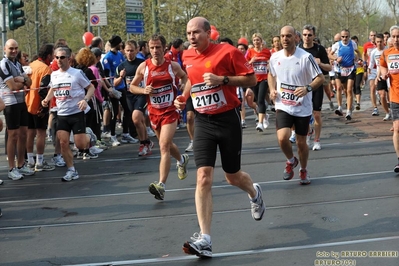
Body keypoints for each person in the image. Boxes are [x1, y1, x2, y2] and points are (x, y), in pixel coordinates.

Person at [175, 17, 265, 258]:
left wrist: (222, 80)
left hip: (227, 119)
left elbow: (251, 79)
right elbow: (190, 80)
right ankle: (205, 239)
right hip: (204, 121)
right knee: (203, 177)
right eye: (188, 33)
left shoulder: (228, 52)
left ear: (208, 33)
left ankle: (254, 193)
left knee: (232, 176)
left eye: (196, 32)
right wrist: (183, 97)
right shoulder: (187, 55)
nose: (192, 37)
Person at [130, 34, 189, 200]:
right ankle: (182, 159)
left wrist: (182, 93)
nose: (155, 50)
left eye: (158, 47)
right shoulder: (144, 67)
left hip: (170, 111)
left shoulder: (173, 66)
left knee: (163, 145)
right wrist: (143, 91)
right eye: (152, 47)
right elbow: (132, 86)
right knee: (168, 145)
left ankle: (161, 185)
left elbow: (185, 77)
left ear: (164, 48)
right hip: (154, 112)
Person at [268, 26, 324, 185]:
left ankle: (303, 169)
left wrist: (307, 88)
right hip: (283, 105)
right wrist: (272, 89)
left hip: (302, 107)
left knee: (301, 143)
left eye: (288, 36)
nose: (285, 39)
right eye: (282, 36)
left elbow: (320, 78)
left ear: (296, 38)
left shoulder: (306, 57)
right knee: (282, 137)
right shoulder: (275, 57)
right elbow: (271, 74)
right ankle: (291, 160)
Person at [41, 46, 95, 182]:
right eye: (57, 57)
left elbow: (91, 87)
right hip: (62, 114)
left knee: (80, 145)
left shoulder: (76, 73)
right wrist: (47, 99)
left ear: (69, 58)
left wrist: (85, 100)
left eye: (62, 57)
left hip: (76, 113)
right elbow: (53, 88)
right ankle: (71, 170)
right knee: (63, 143)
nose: (59, 60)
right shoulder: (54, 74)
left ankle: (89, 136)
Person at [0, 39, 35, 180]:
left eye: (16, 48)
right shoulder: (3, 64)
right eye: (11, 48)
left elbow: (30, 82)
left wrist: (20, 79)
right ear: (4, 49)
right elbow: (13, 87)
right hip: (10, 103)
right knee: (13, 136)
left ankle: (21, 165)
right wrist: (22, 81)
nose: (14, 51)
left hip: (21, 102)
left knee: (23, 135)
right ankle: (11, 168)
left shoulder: (17, 63)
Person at [116, 40, 153, 156]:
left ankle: (143, 144)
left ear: (137, 50)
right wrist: (121, 77)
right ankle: (147, 142)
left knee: (136, 118)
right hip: (129, 95)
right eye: (127, 51)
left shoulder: (143, 63)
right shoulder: (122, 66)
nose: (130, 53)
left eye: (132, 50)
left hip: (141, 94)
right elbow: (115, 83)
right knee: (138, 121)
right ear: (124, 51)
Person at [299, 25, 332, 150]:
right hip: (303, 85)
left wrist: (320, 63)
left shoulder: (319, 49)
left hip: (317, 84)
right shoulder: (298, 49)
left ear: (314, 36)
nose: (307, 37)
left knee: (316, 114)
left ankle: (317, 140)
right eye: (305, 34)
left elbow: (329, 68)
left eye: (309, 35)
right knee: (304, 114)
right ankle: (308, 132)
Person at [25, 43, 57, 171]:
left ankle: (30, 160)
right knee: (41, 134)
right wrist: (43, 107)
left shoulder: (31, 65)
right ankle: (39, 161)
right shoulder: (46, 69)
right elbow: (43, 90)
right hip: (38, 105)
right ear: (48, 55)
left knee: (30, 133)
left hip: (27, 104)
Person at [103, 35, 138, 146]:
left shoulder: (119, 54)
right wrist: (110, 89)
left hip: (122, 87)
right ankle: (113, 135)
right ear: (117, 44)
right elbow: (106, 76)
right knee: (114, 112)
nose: (121, 45)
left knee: (127, 110)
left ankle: (125, 133)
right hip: (113, 88)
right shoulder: (107, 57)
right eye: (120, 44)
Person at [330, 29, 360, 121]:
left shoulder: (353, 44)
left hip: (351, 69)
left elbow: (358, 52)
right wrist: (336, 58)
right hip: (339, 69)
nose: (345, 38)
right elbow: (330, 54)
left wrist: (357, 58)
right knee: (339, 88)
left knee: (349, 89)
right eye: (343, 37)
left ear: (349, 36)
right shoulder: (337, 45)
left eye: (346, 36)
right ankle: (339, 107)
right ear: (340, 37)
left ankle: (348, 111)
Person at [380, 25, 399, 172]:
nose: (396, 39)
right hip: (395, 96)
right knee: (397, 129)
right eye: (394, 36)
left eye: (398, 36)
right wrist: (384, 74)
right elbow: (383, 67)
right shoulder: (387, 53)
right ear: (390, 38)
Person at [246, 33, 271, 132]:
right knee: (256, 101)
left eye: (258, 40)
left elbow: (271, 62)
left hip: (264, 79)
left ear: (261, 41)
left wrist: (269, 64)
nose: (256, 42)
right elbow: (244, 65)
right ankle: (264, 116)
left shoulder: (266, 52)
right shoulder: (250, 52)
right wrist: (251, 61)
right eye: (254, 40)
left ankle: (260, 123)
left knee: (260, 100)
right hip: (254, 80)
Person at [370, 33, 390, 121]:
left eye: (381, 42)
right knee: (382, 95)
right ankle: (387, 113)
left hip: (390, 75)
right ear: (375, 42)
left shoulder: (388, 50)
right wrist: (371, 74)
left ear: (383, 41)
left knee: (390, 95)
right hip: (379, 74)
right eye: (377, 42)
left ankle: (393, 111)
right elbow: (371, 64)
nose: (379, 43)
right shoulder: (373, 52)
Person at [364, 31, 378, 116]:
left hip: (381, 68)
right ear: (369, 36)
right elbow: (364, 54)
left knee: (382, 90)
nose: (373, 37)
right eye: (371, 35)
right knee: (372, 88)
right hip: (372, 68)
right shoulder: (366, 45)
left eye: (374, 35)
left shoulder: (380, 44)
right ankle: (375, 107)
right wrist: (365, 63)